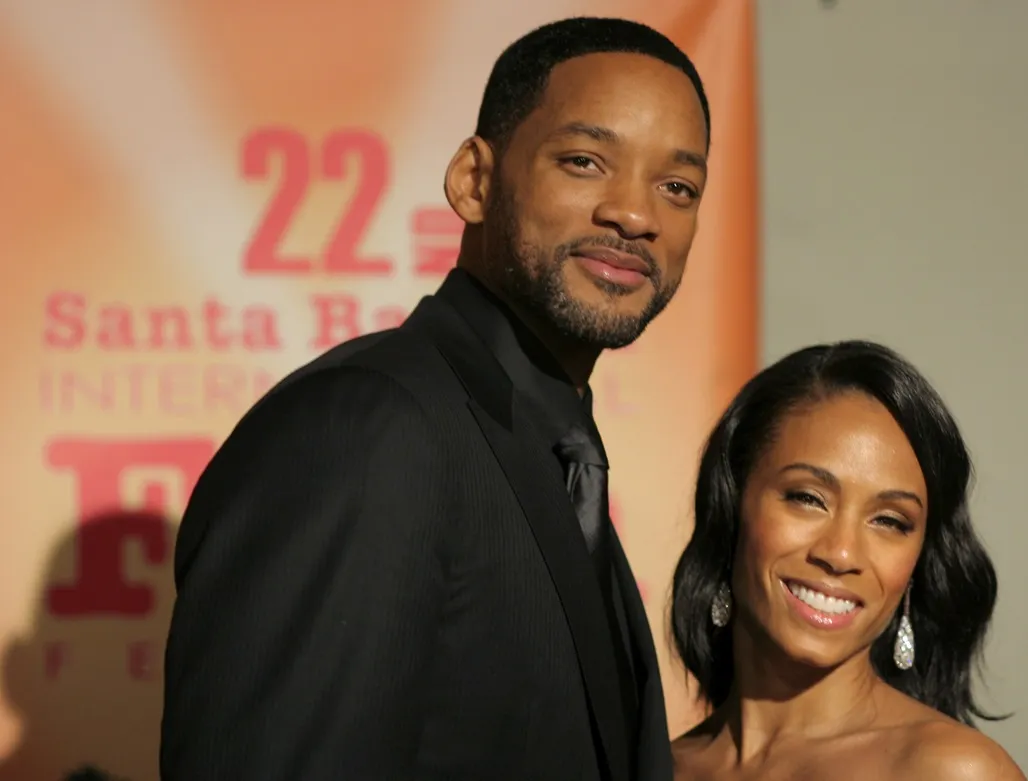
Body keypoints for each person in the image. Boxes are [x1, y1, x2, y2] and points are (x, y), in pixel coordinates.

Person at [159, 16, 710, 781]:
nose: (636, 215)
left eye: (677, 186)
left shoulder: (558, 461)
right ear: (473, 181)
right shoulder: (365, 428)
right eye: (585, 161)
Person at [669, 341, 1026, 780]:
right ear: (732, 507)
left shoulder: (951, 771)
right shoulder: (657, 766)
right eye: (807, 498)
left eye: (890, 521)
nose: (840, 554)